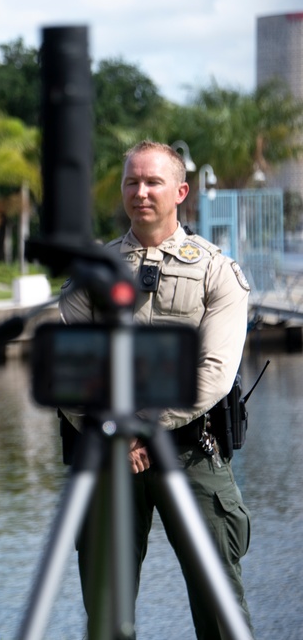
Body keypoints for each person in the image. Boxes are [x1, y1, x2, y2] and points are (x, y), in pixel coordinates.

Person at [59, 140, 253, 638]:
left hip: (193, 456)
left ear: (181, 191)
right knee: (107, 620)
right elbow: (70, 374)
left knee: (221, 614)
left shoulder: (217, 271)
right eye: (131, 181)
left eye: (153, 182)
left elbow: (212, 372)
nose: (140, 191)